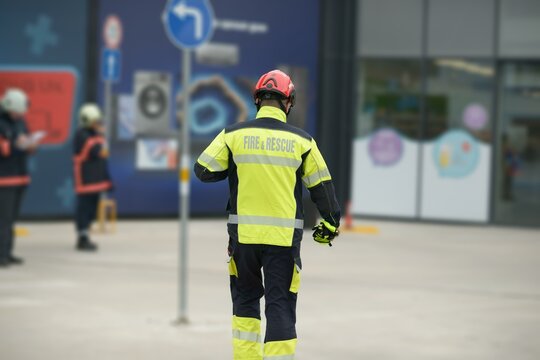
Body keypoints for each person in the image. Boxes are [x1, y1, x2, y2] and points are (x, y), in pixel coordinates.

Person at [194, 70, 341, 360]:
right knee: (280, 305)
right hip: (283, 241)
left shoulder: (233, 134)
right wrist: (330, 225)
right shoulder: (303, 142)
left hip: (243, 240)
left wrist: (238, 166)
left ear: (257, 100)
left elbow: (204, 170)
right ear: (289, 103)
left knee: (246, 302)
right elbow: (322, 188)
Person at [0, 88, 37, 267]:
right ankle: (1, 255)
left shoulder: (20, 121)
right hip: (4, 179)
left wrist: (30, 145)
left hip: (20, 177)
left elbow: (27, 140)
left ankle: (8, 252)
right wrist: (16, 145)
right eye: (16, 112)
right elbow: (4, 149)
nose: (18, 115)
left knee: (12, 219)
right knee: (3, 220)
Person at [73, 103, 112, 251]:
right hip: (85, 180)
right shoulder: (82, 135)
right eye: (95, 121)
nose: (98, 124)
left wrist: (101, 136)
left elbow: (105, 151)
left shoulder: (94, 135)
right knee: (84, 209)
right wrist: (101, 136)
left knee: (91, 210)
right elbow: (99, 152)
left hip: (96, 180)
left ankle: (85, 234)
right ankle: (82, 238)